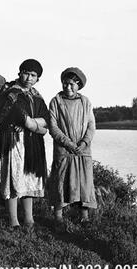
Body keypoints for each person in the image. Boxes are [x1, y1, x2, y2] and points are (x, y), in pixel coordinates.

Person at [0, 59, 49, 230]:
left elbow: (46, 118)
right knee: (14, 177)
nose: (29, 78)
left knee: (29, 178)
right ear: (19, 73)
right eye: (26, 73)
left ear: (37, 78)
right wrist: (34, 124)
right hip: (14, 140)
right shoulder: (11, 93)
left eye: (33, 75)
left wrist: (34, 124)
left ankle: (29, 218)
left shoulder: (36, 95)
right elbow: (5, 115)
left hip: (32, 142)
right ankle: (13, 219)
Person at [48, 67, 96, 224]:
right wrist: (68, 143)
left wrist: (84, 142)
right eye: (64, 84)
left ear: (78, 85)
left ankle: (84, 218)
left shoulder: (85, 102)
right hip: (64, 150)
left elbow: (91, 125)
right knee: (60, 182)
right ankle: (58, 218)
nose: (67, 87)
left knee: (84, 183)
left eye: (71, 84)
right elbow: (53, 127)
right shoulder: (56, 102)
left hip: (82, 151)